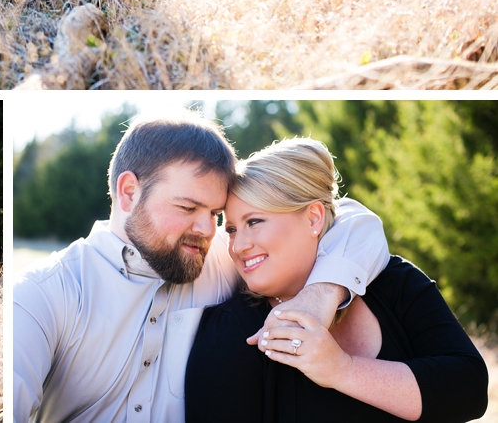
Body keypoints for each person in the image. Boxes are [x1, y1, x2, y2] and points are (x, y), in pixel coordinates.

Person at [13, 111, 391, 423]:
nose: (208, 229)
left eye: (214, 213)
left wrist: (321, 294)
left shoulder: (219, 258)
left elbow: (354, 221)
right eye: (187, 208)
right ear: (129, 192)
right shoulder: (44, 295)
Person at [184, 138, 489, 423]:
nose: (238, 246)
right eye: (232, 229)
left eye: (254, 221)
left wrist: (343, 370)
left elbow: (471, 390)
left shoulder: (394, 282)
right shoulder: (232, 329)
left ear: (314, 218)